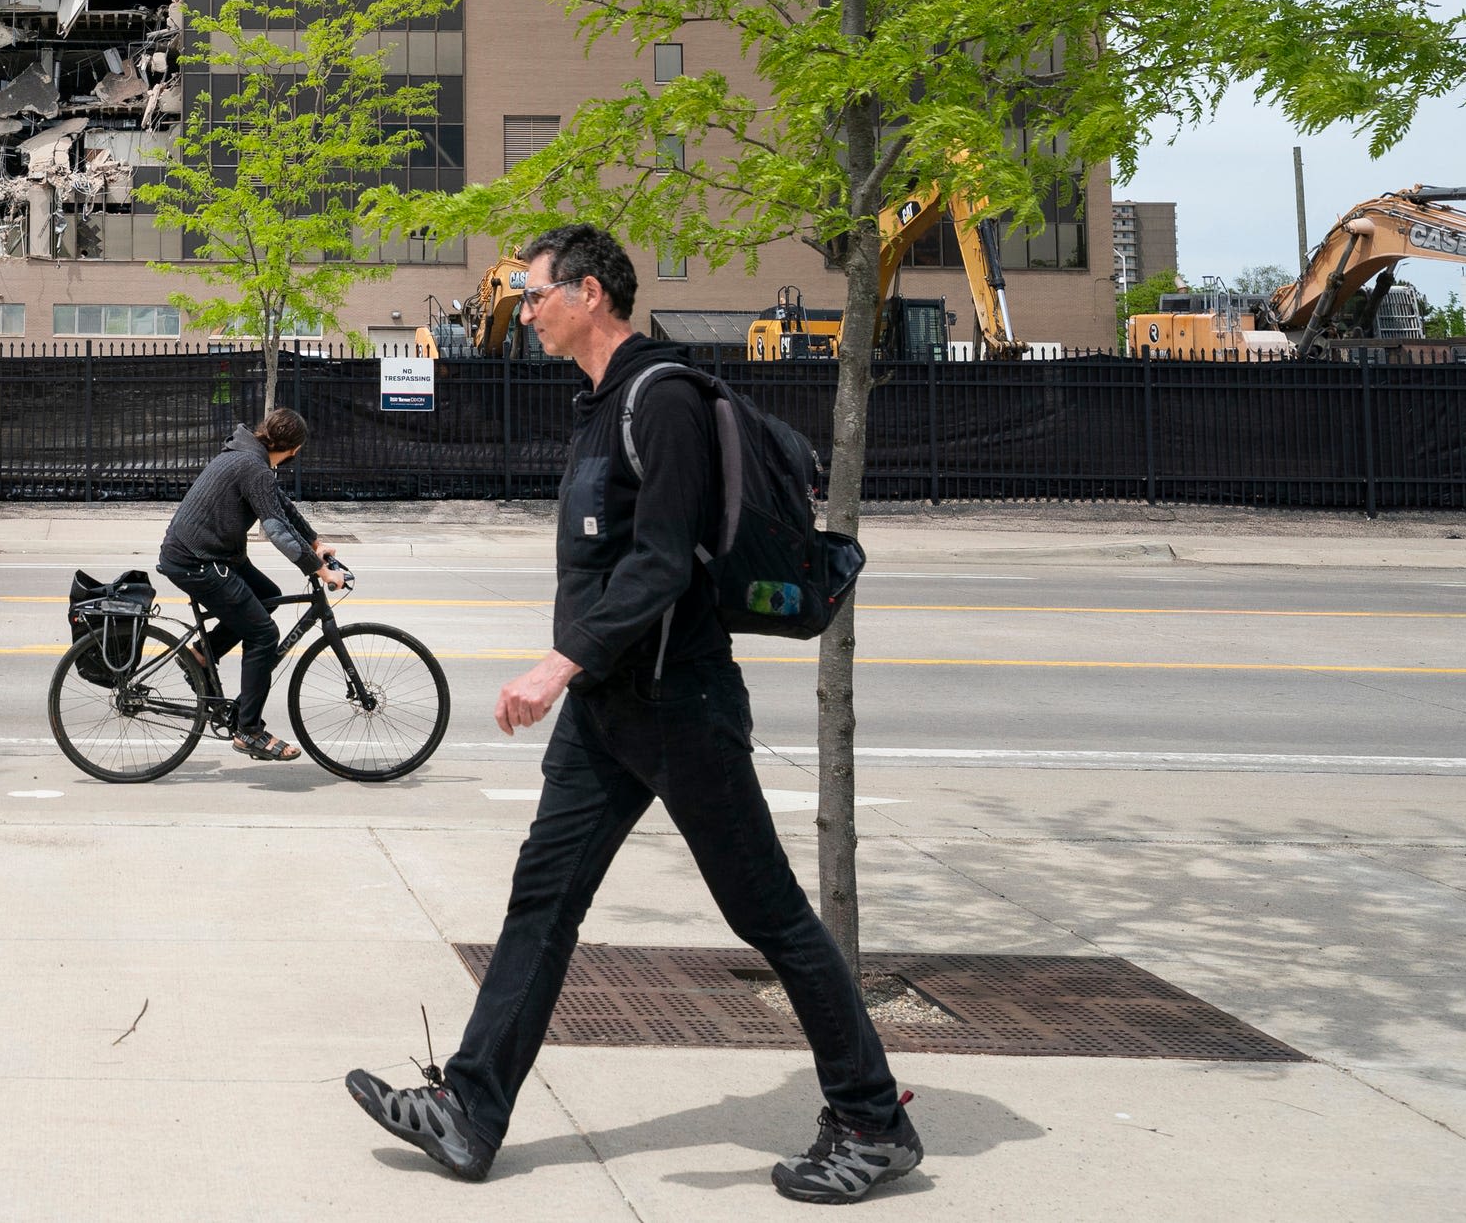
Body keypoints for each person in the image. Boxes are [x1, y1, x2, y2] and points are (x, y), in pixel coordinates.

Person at [344, 224, 921, 1204]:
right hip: (611, 710)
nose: (523, 312)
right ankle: (469, 1112)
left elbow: (660, 560)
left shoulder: (664, 402)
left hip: (679, 702)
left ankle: (873, 1118)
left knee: (768, 912)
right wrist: (581, 675)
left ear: (592, 293)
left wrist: (557, 664)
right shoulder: (600, 406)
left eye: (535, 295)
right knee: (542, 899)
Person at [158, 406, 347, 761]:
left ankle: (203, 654)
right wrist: (320, 571)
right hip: (196, 560)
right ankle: (249, 731)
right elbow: (275, 529)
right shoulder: (252, 465)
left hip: (211, 554)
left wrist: (316, 542)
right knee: (263, 635)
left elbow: (279, 505)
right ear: (294, 449)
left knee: (268, 597)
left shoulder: (249, 456)